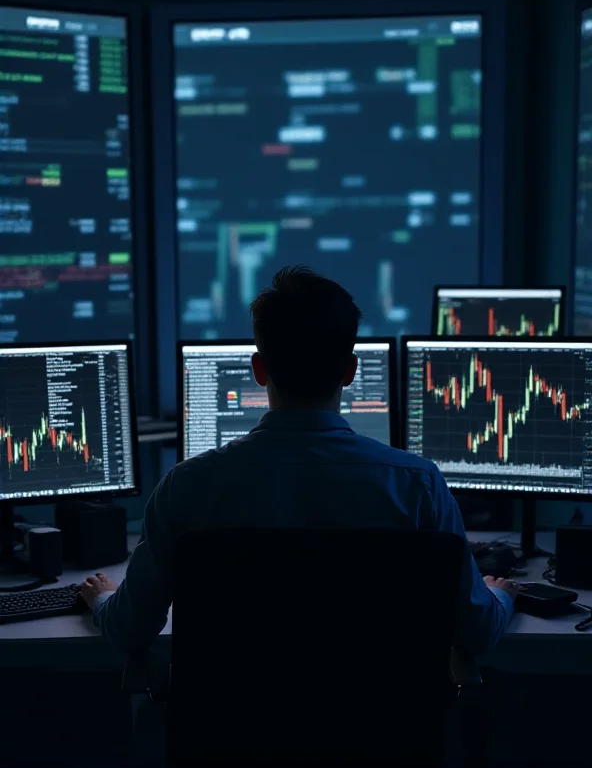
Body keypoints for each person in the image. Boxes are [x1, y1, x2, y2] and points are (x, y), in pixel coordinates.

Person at [81, 266, 518, 653]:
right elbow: (475, 634)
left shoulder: (186, 487)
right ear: (350, 371)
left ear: (258, 370)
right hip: (382, 739)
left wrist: (102, 597)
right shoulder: (417, 485)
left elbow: (129, 630)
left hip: (230, 740)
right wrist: (501, 596)